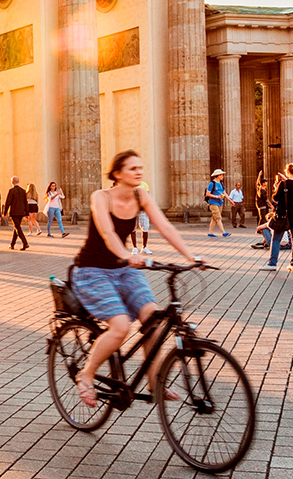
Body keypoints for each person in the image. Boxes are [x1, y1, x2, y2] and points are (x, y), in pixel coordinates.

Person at [72, 150, 203, 408]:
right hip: (91, 270)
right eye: (132, 168)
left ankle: (155, 382)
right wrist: (127, 254)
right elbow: (107, 232)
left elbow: (165, 226)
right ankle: (86, 375)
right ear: (117, 174)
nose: (139, 172)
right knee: (120, 326)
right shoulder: (101, 197)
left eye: (140, 168)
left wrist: (192, 257)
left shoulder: (141, 195)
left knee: (153, 319)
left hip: (123, 270)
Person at [260, 163, 293, 272]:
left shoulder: (283, 184)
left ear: (287, 171)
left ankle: (272, 263)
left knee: (276, 239)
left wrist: (277, 187)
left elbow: (275, 198)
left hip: (283, 215)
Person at [4, 176, 29, 251]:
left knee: (17, 227)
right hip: (21, 212)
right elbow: (26, 202)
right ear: (18, 181)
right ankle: (12, 244)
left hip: (14, 212)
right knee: (16, 227)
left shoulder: (11, 191)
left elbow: (8, 202)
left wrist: (4, 213)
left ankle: (25, 243)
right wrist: (26, 214)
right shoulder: (23, 191)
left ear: (12, 182)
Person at [205, 169, 228, 237]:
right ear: (217, 176)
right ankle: (223, 232)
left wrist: (230, 200)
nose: (222, 176)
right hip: (213, 202)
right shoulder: (212, 183)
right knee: (218, 217)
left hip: (220, 202)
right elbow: (207, 194)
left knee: (214, 218)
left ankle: (210, 232)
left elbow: (224, 193)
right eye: (221, 175)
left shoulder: (221, 183)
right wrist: (217, 196)